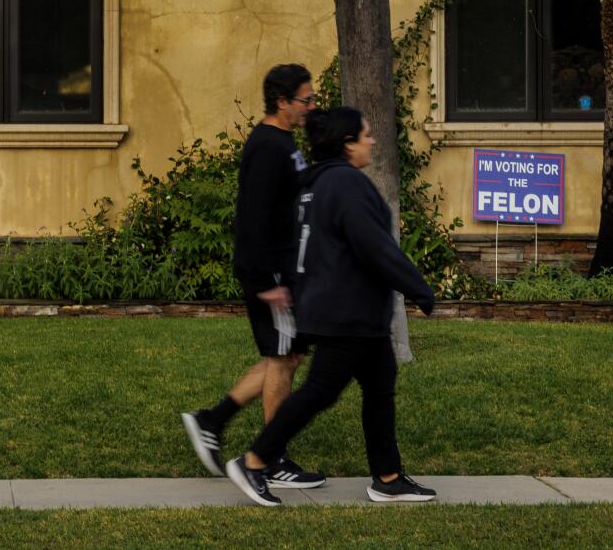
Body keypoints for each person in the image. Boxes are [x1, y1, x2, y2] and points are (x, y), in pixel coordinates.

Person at [224, 106, 438, 507]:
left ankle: (388, 477)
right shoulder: (346, 183)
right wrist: (419, 288)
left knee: (379, 387)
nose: (372, 141)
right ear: (347, 144)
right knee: (320, 391)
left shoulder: (312, 182)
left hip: (343, 309)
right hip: (346, 311)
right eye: (367, 135)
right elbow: (374, 247)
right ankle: (255, 461)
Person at [181, 63, 325, 490]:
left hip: (285, 270)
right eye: (306, 99)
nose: (311, 106)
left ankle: (213, 419)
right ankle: (272, 458)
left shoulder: (285, 143)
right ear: (282, 102)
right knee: (283, 359)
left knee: (290, 354)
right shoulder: (268, 146)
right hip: (271, 275)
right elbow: (253, 219)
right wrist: (266, 282)